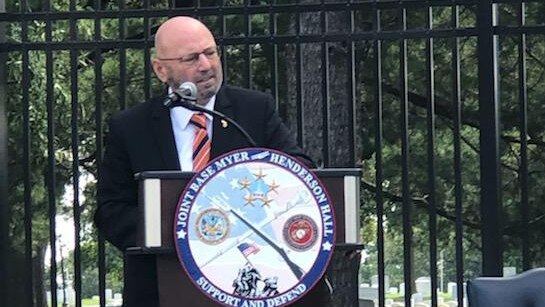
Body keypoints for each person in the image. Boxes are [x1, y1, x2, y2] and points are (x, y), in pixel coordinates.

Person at [95, 16, 329, 307]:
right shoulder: (131, 127)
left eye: (210, 52)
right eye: (191, 58)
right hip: (163, 287)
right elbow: (110, 210)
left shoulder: (254, 111)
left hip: (246, 281)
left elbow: (298, 171)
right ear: (161, 69)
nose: (206, 65)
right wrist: (181, 234)